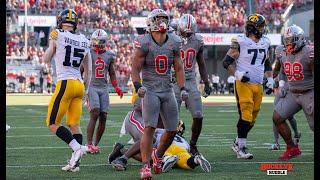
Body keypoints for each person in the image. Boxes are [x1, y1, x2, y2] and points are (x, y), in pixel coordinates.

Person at [131, 9, 187, 179]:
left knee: (172, 129)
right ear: (151, 22)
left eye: (164, 19)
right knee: (150, 127)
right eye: (158, 19)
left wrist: (182, 88)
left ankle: (158, 156)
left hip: (167, 89)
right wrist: (137, 85)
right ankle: (146, 166)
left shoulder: (175, 41)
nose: (162, 22)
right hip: (150, 90)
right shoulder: (145, 41)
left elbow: (178, 67)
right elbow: (135, 67)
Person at [43, 9, 92, 172]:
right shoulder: (84, 39)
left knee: (51, 123)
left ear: (60, 20)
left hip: (65, 83)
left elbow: (46, 58)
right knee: (74, 124)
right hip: (79, 85)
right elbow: (89, 70)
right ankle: (75, 164)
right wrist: (86, 90)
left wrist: (52, 42)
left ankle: (78, 148)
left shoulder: (58, 34)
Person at [222, 13, 274, 159]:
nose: (263, 29)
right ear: (255, 28)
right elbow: (226, 62)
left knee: (253, 117)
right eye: (261, 26)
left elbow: (267, 62)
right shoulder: (240, 41)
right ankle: (242, 148)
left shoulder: (266, 41)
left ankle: (237, 142)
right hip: (243, 83)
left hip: (258, 84)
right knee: (246, 113)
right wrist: (237, 74)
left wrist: (269, 79)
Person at [272, 25, 313, 160]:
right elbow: (278, 69)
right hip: (292, 92)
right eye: (287, 40)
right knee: (277, 118)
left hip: (309, 92)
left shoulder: (309, 53)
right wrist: (278, 82)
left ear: (300, 39)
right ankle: (292, 148)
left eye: (292, 39)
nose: (289, 43)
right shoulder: (283, 52)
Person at [173, 14, 212, 156]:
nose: (187, 34)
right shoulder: (172, 39)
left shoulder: (197, 41)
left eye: (190, 31)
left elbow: (201, 63)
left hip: (189, 80)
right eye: (185, 31)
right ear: (179, 29)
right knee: (171, 118)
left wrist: (206, 82)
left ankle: (193, 145)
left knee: (198, 115)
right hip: (173, 81)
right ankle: (169, 145)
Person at [84, 29, 123, 154]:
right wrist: (80, 85)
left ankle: (95, 144)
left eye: (100, 41)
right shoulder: (88, 53)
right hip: (92, 86)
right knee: (95, 112)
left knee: (104, 116)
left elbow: (111, 72)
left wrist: (116, 87)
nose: (97, 43)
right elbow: (81, 69)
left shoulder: (109, 55)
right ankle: (89, 144)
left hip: (103, 88)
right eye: (95, 41)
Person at [269, 45, 300, 150]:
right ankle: (276, 142)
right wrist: (272, 84)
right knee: (276, 116)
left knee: (288, 116)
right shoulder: (278, 61)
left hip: (290, 90)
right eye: (276, 53)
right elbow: (275, 76)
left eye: (279, 52)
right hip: (281, 91)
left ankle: (296, 133)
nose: (278, 54)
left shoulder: (289, 59)